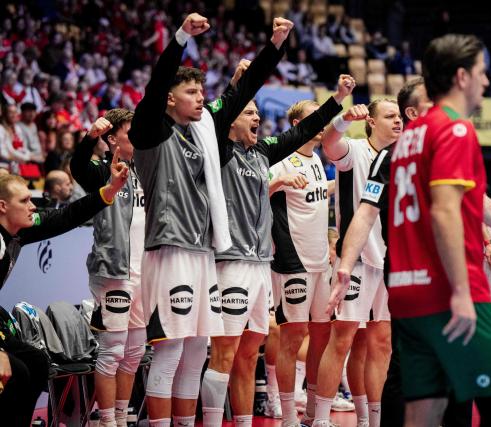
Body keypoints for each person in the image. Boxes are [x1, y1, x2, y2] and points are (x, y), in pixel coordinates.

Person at [128, 13, 293, 427]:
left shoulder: (202, 132)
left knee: (194, 352)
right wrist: (181, 36)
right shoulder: (151, 130)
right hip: (169, 251)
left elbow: (244, 92)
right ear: (169, 98)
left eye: (202, 90)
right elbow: (154, 85)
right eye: (191, 91)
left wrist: (274, 45)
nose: (201, 97)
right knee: (168, 353)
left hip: (204, 253)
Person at [388, 34, 491, 427]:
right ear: (463, 76)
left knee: (423, 410)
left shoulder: (409, 138)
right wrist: (462, 292)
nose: (487, 82)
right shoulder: (456, 129)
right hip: (450, 291)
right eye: (482, 73)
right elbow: (445, 212)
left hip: (406, 294)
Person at [203, 71, 348, 426]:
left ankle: (247, 419)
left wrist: (339, 99)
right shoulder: (223, 152)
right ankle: (229, 419)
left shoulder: (264, 153)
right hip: (239, 259)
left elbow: (301, 139)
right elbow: (213, 117)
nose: (257, 118)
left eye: (257, 112)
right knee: (226, 351)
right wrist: (236, 86)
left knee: (251, 352)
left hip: (261, 262)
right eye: (248, 112)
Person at [0, 161, 129, 426]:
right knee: (18, 371)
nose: (33, 206)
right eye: (24, 200)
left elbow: (66, 216)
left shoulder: (19, 231)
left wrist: (109, 190)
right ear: (3, 206)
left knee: (35, 363)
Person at [269, 95, 365, 427]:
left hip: (322, 263)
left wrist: (335, 186)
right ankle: (286, 416)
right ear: (297, 125)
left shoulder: (315, 159)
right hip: (291, 261)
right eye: (314, 119)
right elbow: (255, 193)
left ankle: (312, 409)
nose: (322, 126)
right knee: (292, 337)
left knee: (321, 338)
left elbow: (315, 192)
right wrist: (278, 183)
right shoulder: (281, 159)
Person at [310, 97, 405, 427]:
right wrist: (342, 119)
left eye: (399, 116)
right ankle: (321, 418)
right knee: (344, 338)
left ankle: (372, 420)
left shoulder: (402, 159)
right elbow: (330, 143)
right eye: (389, 116)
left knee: (379, 344)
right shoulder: (353, 151)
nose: (397, 121)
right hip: (358, 260)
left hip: (390, 262)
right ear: (372, 122)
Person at [70, 109, 146, 427]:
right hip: (113, 271)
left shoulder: (147, 170)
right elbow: (76, 167)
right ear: (112, 138)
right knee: (113, 352)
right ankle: (106, 422)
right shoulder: (102, 173)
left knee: (134, 355)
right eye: (132, 132)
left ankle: (119, 417)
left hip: (145, 273)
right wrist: (89, 139)